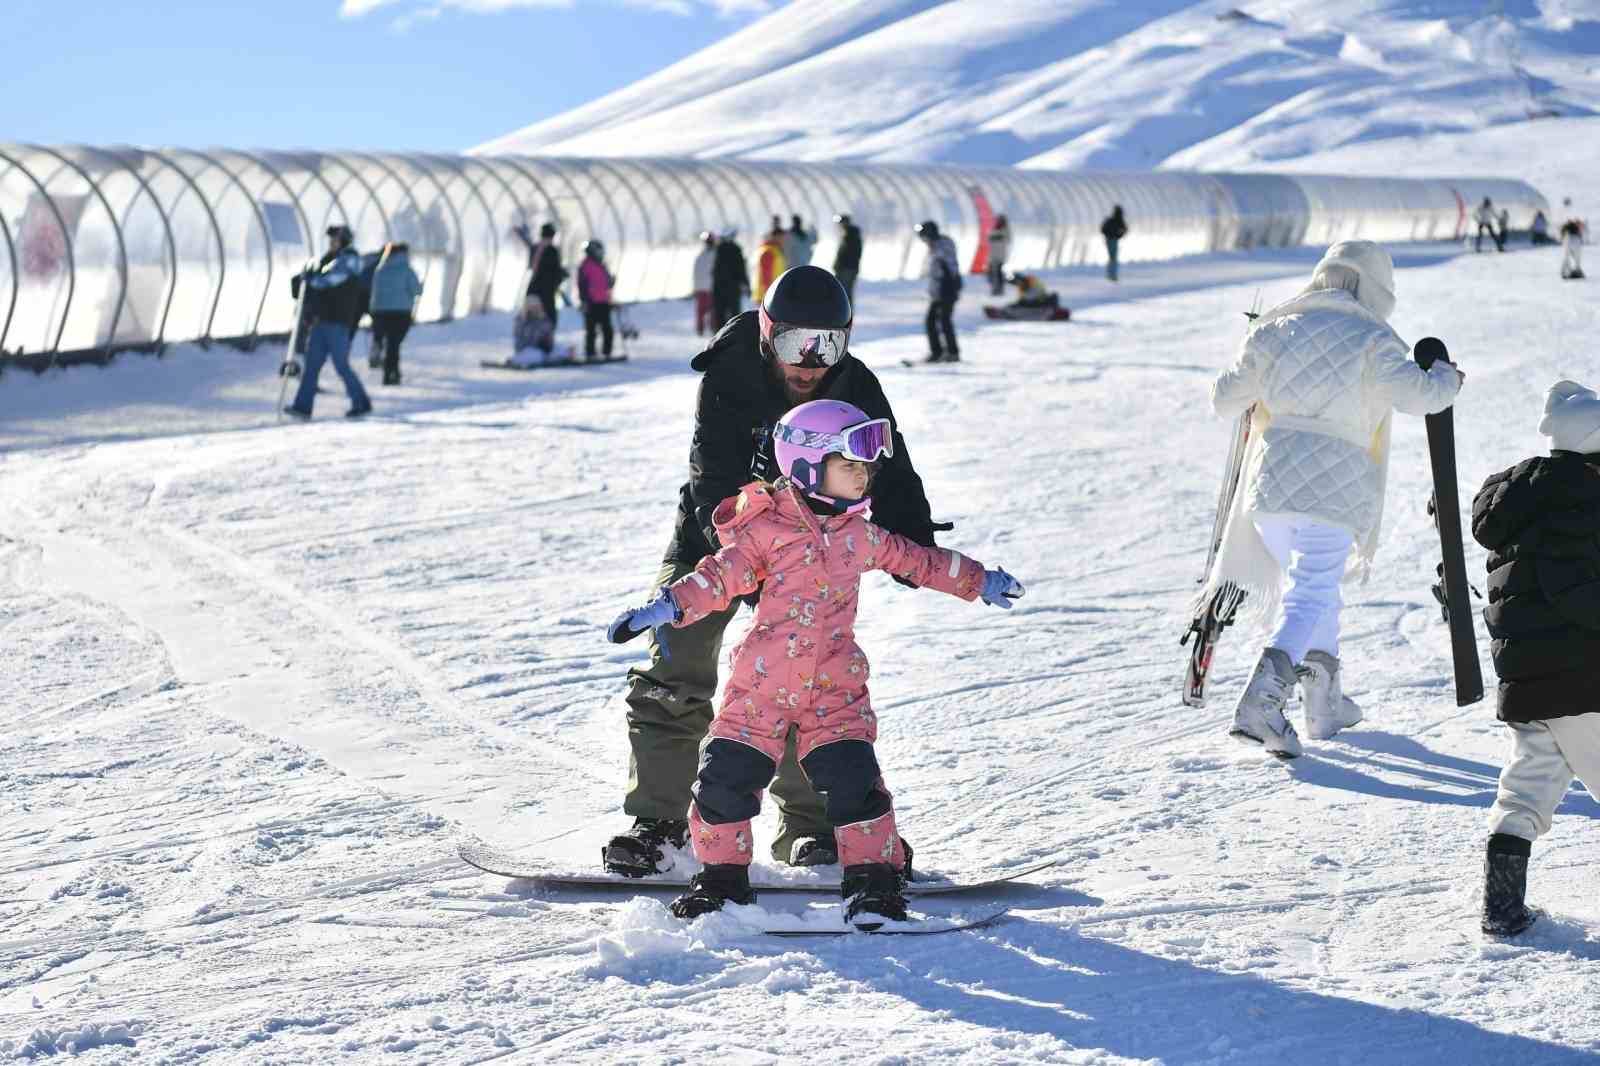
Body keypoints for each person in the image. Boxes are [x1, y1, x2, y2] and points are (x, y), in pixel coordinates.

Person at [607, 399, 1025, 923]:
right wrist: (666, 606)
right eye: (848, 464)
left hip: (834, 689)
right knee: (722, 784)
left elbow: (919, 561)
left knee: (856, 786)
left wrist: (978, 580)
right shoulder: (765, 532)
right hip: (760, 688)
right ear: (806, 465)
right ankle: (721, 881)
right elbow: (718, 577)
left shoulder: (859, 534)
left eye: (865, 465)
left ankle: (873, 884)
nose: (863, 474)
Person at [605, 265, 947, 878]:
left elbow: (892, 470)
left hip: (807, 552)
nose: (810, 363)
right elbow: (711, 473)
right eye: (794, 343)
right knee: (675, 663)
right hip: (714, 540)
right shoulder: (730, 373)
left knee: (803, 679)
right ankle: (658, 824)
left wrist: (914, 542)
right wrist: (746, 559)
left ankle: (811, 830)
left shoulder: (855, 385)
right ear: (767, 334)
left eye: (828, 345)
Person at [1205, 240, 1463, 758]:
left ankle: (1323, 704)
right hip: (1332, 490)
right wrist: (1446, 377)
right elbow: (1420, 396)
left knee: (1314, 589)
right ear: (1376, 287)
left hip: (1269, 489)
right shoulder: (1372, 337)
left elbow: (1224, 399)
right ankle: (1261, 702)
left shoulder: (1275, 327)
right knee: (1311, 592)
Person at [1470, 380, 1600, 936]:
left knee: (1525, 793)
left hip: (1528, 680)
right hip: (1584, 680)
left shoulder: (1521, 504)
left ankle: (1502, 909)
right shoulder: (1582, 503)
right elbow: (1579, 593)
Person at [284, 228, 372, 420]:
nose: (331, 243)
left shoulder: (349, 261)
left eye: (335, 240)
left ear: (344, 241)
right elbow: (320, 284)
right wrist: (307, 278)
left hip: (337, 324)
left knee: (341, 365)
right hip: (321, 322)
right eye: (331, 240)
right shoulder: (330, 261)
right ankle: (303, 406)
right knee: (312, 365)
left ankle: (361, 402)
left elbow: (329, 281)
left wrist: (312, 279)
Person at [368, 242, 422, 386]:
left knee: (390, 343)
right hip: (401, 313)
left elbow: (374, 292)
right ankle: (391, 373)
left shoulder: (380, 269)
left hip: (380, 312)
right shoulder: (406, 269)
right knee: (394, 344)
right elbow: (417, 290)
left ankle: (388, 367)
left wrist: (373, 312)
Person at [915, 220, 961, 363]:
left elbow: (947, 270)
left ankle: (951, 352)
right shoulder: (936, 247)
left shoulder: (942, 246)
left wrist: (944, 290)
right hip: (940, 290)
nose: (924, 241)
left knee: (944, 321)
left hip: (947, 289)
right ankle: (938, 352)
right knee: (932, 321)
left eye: (924, 236)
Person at [512, 221, 568, 332]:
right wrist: (562, 275)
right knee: (549, 317)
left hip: (532, 287)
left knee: (530, 315)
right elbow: (554, 271)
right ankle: (544, 338)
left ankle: (529, 337)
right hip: (546, 290)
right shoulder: (552, 250)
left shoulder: (536, 247)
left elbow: (531, 266)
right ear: (552, 235)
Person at [576, 240, 615, 361]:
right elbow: (581, 285)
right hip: (591, 302)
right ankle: (590, 353)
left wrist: (612, 282)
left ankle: (606, 352)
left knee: (607, 329)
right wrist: (583, 300)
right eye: (598, 251)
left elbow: (607, 283)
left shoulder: (602, 265)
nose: (600, 253)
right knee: (591, 330)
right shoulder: (585, 266)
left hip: (603, 302)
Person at [711, 228, 750, 330]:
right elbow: (741, 269)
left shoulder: (718, 249)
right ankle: (734, 331)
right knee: (734, 313)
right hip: (733, 287)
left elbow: (714, 269)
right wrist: (746, 284)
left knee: (720, 313)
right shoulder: (736, 249)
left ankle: (719, 333)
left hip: (719, 287)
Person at [832, 213, 863, 308]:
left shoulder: (850, 236)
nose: (840, 226)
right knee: (845, 291)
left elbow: (846, 254)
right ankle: (846, 310)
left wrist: (839, 265)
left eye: (841, 223)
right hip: (849, 268)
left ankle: (846, 310)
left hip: (847, 269)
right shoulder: (849, 235)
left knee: (844, 291)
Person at [692, 231, 717, 336]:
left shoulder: (700, 256)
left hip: (703, 288)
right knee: (710, 310)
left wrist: (695, 288)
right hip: (710, 288)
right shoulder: (715, 255)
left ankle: (702, 329)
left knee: (703, 311)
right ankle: (709, 328)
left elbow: (696, 273)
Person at [755, 225, 788, 305]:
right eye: (781, 237)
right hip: (767, 294)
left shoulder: (776, 250)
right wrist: (768, 293)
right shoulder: (768, 251)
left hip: (774, 292)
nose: (783, 240)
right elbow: (766, 274)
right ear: (775, 237)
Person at [985, 214, 1011, 296]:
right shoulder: (995, 229)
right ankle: (995, 288)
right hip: (993, 255)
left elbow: (1006, 239)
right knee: (991, 273)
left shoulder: (1005, 230)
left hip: (999, 256)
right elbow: (989, 238)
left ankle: (999, 289)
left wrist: (995, 237)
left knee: (998, 273)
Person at [1101, 206, 1128, 282]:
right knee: (1113, 258)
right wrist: (1118, 235)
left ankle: (1111, 274)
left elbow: (1103, 229)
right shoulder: (1117, 220)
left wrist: (1117, 235)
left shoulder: (1112, 220)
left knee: (1112, 258)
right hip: (1112, 240)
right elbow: (1125, 229)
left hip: (1111, 240)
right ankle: (1112, 275)